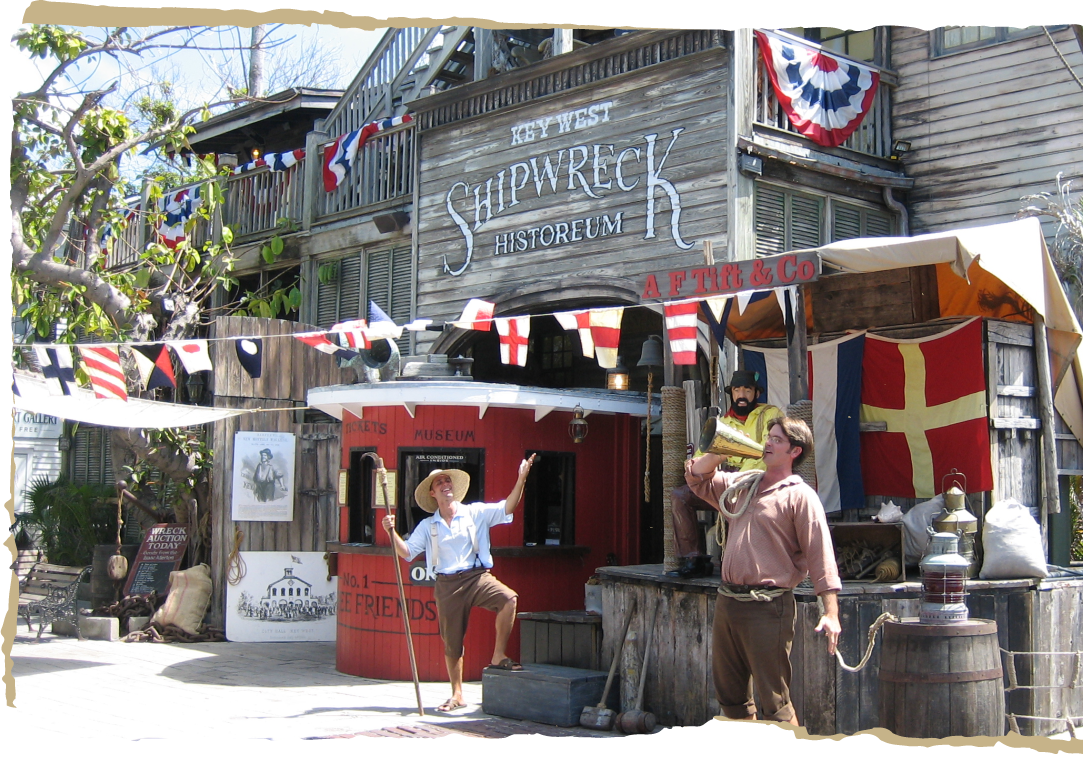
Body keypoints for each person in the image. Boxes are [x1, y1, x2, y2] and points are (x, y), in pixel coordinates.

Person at [684, 416, 840, 726]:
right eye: (769, 436)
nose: (767, 442)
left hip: (768, 606)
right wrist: (721, 450)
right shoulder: (746, 482)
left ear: (795, 451)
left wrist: (831, 613)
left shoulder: (800, 495)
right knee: (731, 697)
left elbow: (821, 555)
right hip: (729, 603)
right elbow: (697, 478)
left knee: (774, 701)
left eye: (777, 439)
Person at [382, 455, 535, 713]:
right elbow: (406, 552)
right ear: (432, 493)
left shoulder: (474, 512)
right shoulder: (428, 525)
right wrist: (391, 532)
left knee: (508, 599)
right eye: (439, 482)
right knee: (452, 641)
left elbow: (507, 507)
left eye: (447, 480)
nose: (445, 484)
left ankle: (498, 655)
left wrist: (522, 478)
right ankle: (457, 694)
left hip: (477, 577)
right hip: (447, 584)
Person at [669, 369, 783, 578]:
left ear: (756, 393)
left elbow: (769, 453)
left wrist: (736, 483)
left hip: (757, 482)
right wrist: (697, 469)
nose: (741, 395)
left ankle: (739, 565)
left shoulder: (770, 414)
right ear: (732, 393)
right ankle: (694, 559)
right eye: (737, 390)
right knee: (680, 496)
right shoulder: (721, 423)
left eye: (747, 390)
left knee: (740, 501)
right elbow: (699, 457)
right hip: (725, 483)